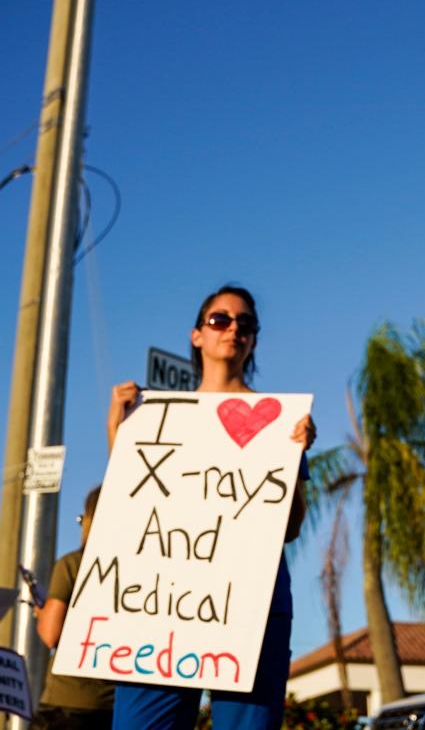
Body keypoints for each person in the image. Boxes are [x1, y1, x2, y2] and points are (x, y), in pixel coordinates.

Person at [105, 285, 316, 730]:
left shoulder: (281, 422)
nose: (234, 328)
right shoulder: (154, 415)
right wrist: (117, 433)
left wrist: (295, 454)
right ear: (197, 335)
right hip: (157, 601)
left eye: (246, 323)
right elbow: (130, 507)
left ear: (254, 339)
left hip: (252, 601)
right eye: (220, 319)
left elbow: (291, 527)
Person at [31, 486, 114, 729]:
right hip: (112, 704)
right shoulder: (143, 571)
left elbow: (51, 634)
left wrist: (43, 613)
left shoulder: (74, 565)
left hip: (67, 703)